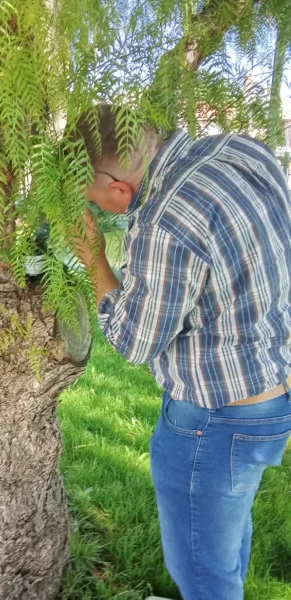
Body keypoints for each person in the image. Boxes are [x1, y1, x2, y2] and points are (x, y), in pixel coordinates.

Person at [70, 104, 291, 600]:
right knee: (225, 539)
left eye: (101, 204)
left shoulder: (166, 220)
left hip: (214, 419)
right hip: (271, 393)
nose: (107, 212)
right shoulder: (242, 150)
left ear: (119, 188)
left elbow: (133, 341)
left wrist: (95, 260)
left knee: (200, 570)